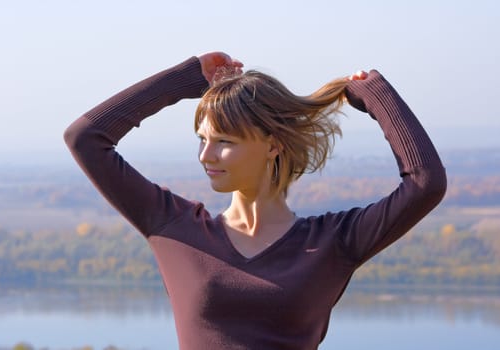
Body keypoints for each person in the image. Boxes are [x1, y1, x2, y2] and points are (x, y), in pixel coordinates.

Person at [64, 52, 447, 349]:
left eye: (224, 142)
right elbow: (85, 138)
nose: (206, 155)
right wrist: (185, 79)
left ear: (272, 146)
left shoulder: (334, 243)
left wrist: (377, 97)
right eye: (202, 139)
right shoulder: (173, 228)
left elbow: (426, 184)